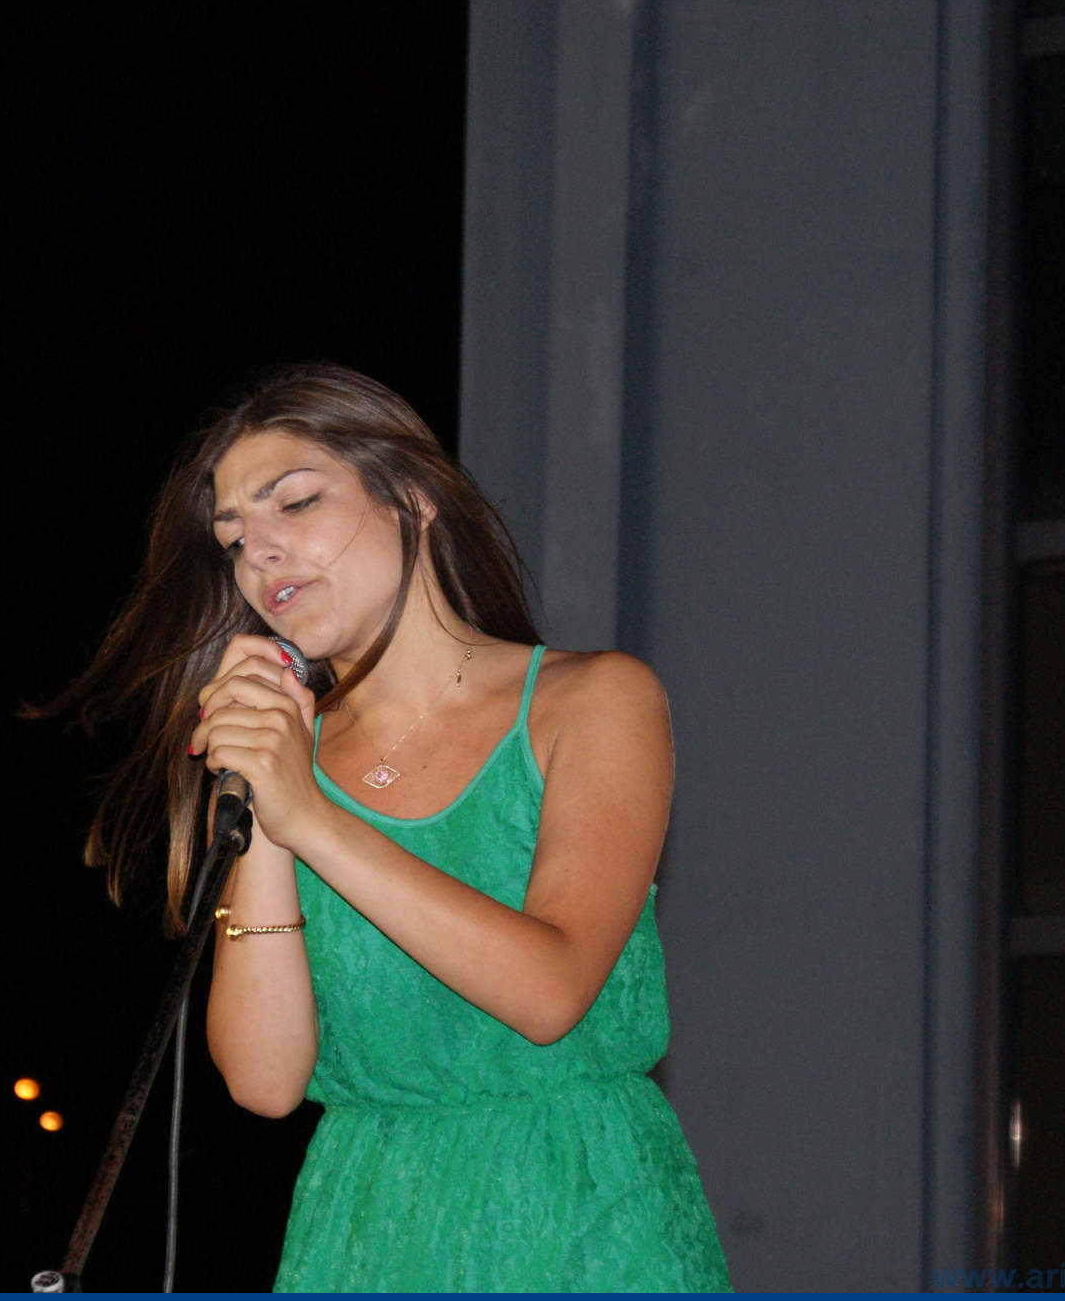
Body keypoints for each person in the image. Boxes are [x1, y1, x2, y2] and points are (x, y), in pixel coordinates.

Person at [37, 364, 730, 1292]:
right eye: (234, 538)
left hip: (580, 1217)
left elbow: (550, 990)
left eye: (295, 503)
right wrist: (272, 816)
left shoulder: (594, 700)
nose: (259, 552)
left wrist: (312, 817)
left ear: (410, 497)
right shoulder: (290, 763)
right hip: (363, 1231)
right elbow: (265, 1082)